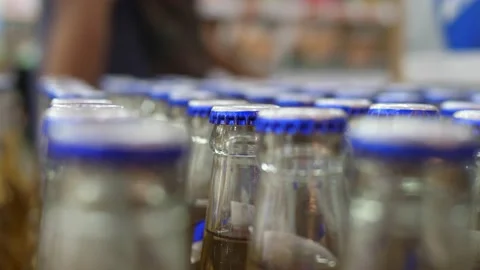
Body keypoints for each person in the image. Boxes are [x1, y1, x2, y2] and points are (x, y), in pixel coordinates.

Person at [40, 0, 261, 86]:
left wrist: (251, 76)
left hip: (169, 129)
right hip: (123, 139)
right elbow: (68, 88)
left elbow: (188, 41)